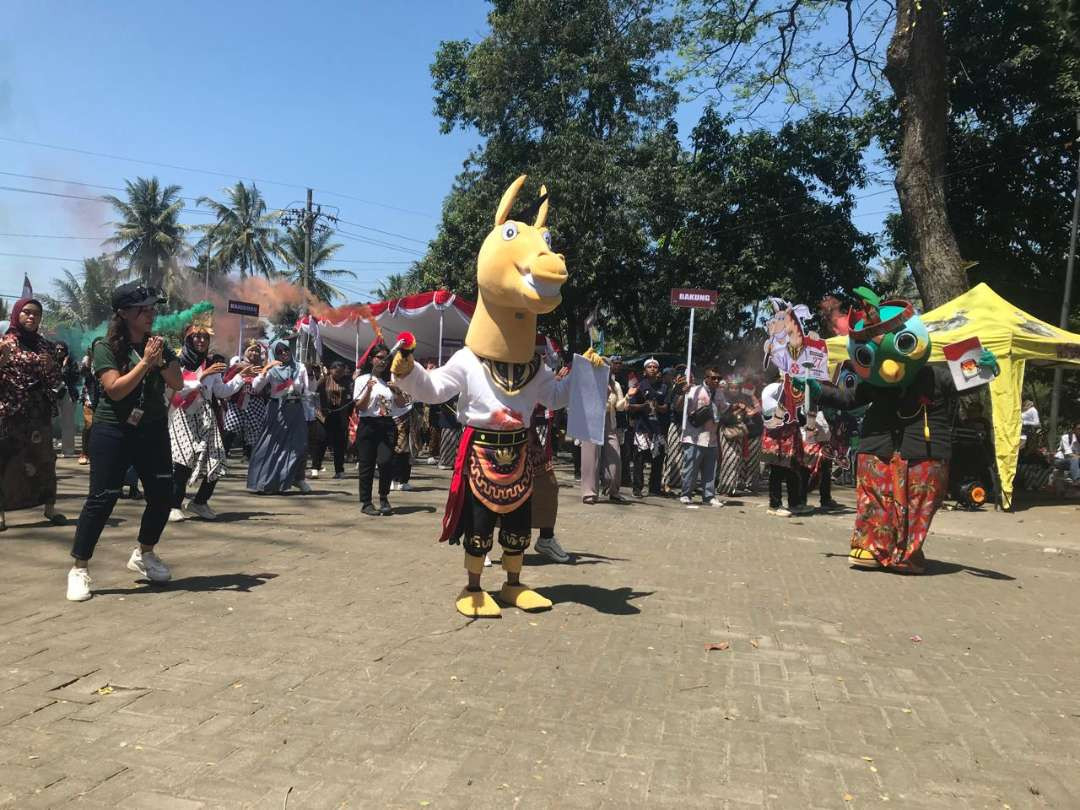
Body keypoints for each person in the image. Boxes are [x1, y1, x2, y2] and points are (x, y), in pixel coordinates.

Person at [812, 286, 999, 573]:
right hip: (878, 446)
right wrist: (817, 390)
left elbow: (969, 379)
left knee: (919, 502)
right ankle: (871, 547)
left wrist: (986, 370)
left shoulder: (936, 375)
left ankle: (906, 554)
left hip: (925, 451)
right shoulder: (873, 383)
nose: (888, 369)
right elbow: (848, 399)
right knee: (874, 497)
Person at [67, 283, 183, 601]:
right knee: (102, 498)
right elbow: (115, 389)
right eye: (144, 308)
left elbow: (178, 382)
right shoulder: (106, 346)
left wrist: (158, 360)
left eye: (152, 308)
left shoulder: (159, 345)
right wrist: (145, 363)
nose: (151, 313)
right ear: (124, 312)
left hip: (153, 428)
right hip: (113, 429)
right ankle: (79, 568)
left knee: (162, 495)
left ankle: (144, 554)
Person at [168, 315, 245, 522]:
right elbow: (175, 391)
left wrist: (241, 378)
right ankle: (173, 504)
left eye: (205, 337)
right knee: (184, 460)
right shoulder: (177, 361)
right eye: (197, 337)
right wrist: (201, 377)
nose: (201, 341)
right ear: (188, 338)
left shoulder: (212, 363)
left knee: (218, 459)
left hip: (206, 416)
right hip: (182, 414)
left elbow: (220, 391)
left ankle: (199, 502)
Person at [0, 298, 65, 533]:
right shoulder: (5, 343)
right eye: (26, 312)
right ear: (16, 314)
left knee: (45, 460)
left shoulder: (46, 347)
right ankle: (1, 514)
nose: (31, 317)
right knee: (6, 463)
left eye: (36, 314)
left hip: (40, 413)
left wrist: (51, 368)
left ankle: (49, 508)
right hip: (11, 412)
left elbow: (57, 383)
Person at [246, 340, 312, 495]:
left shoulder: (300, 367)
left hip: (296, 409)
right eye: (280, 351)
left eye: (286, 350)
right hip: (277, 409)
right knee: (272, 446)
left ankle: (297, 478)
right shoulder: (272, 370)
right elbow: (256, 387)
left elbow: (306, 390)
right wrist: (265, 369)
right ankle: (266, 481)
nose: (284, 353)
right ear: (275, 353)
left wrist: (310, 411)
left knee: (300, 445)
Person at [353, 344, 402, 515]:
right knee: (366, 464)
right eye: (379, 357)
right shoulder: (362, 379)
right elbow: (360, 407)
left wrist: (396, 391)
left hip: (386, 424)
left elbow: (402, 404)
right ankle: (366, 502)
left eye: (386, 358)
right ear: (371, 359)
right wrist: (368, 389)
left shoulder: (390, 381)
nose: (383, 361)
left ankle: (384, 497)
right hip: (368, 424)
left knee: (385, 461)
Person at [677, 368, 727, 507]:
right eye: (713, 378)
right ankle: (686, 494)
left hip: (711, 438)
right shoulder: (694, 390)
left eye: (718, 378)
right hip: (694, 437)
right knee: (690, 468)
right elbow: (678, 407)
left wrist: (737, 407)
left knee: (710, 470)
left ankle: (709, 496)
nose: (716, 380)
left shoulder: (720, 393)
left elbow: (724, 409)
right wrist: (683, 393)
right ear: (706, 378)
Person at [581, 372, 628, 505]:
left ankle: (613, 491)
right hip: (591, 419)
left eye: (608, 370)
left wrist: (627, 397)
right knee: (591, 458)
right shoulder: (589, 382)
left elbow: (619, 407)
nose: (606, 372)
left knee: (615, 457)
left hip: (609, 420)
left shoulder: (615, 384)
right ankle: (589, 494)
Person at [760, 379, 806, 517]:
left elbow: (800, 419)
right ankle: (774, 505)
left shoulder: (795, 397)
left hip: (791, 442)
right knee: (777, 473)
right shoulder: (772, 393)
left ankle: (794, 503)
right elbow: (773, 418)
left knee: (793, 472)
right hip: (777, 442)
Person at [628, 358, 670, 498]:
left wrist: (657, 407)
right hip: (643, 428)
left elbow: (666, 407)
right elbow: (630, 406)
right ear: (645, 370)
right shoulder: (639, 386)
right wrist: (643, 406)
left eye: (655, 367)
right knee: (639, 459)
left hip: (658, 429)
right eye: (649, 367)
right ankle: (637, 488)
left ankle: (654, 488)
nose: (652, 369)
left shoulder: (663, 387)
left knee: (658, 459)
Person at [223, 341, 269, 459]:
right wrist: (241, 374)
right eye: (251, 350)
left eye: (257, 351)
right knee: (231, 428)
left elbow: (266, 387)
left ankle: (252, 458)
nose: (254, 353)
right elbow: (226, 381)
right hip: (237, 402)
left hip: (256, 402)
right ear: (245, 352)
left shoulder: (261, 368)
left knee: (256, 430)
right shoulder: (236, 367)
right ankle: (221, 455)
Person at [312, 360, 353, 479]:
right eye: (337, 371)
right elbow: (314, 394)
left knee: (339, 444)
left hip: (340, 415)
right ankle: (315, 467)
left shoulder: (346, 381)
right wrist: (319, 408)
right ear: (331, 370)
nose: (339, 374)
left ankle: (339, 470)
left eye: (341, 372)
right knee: (321, 440)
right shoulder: (324, 380)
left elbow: (350, 397)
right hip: (324, 415)